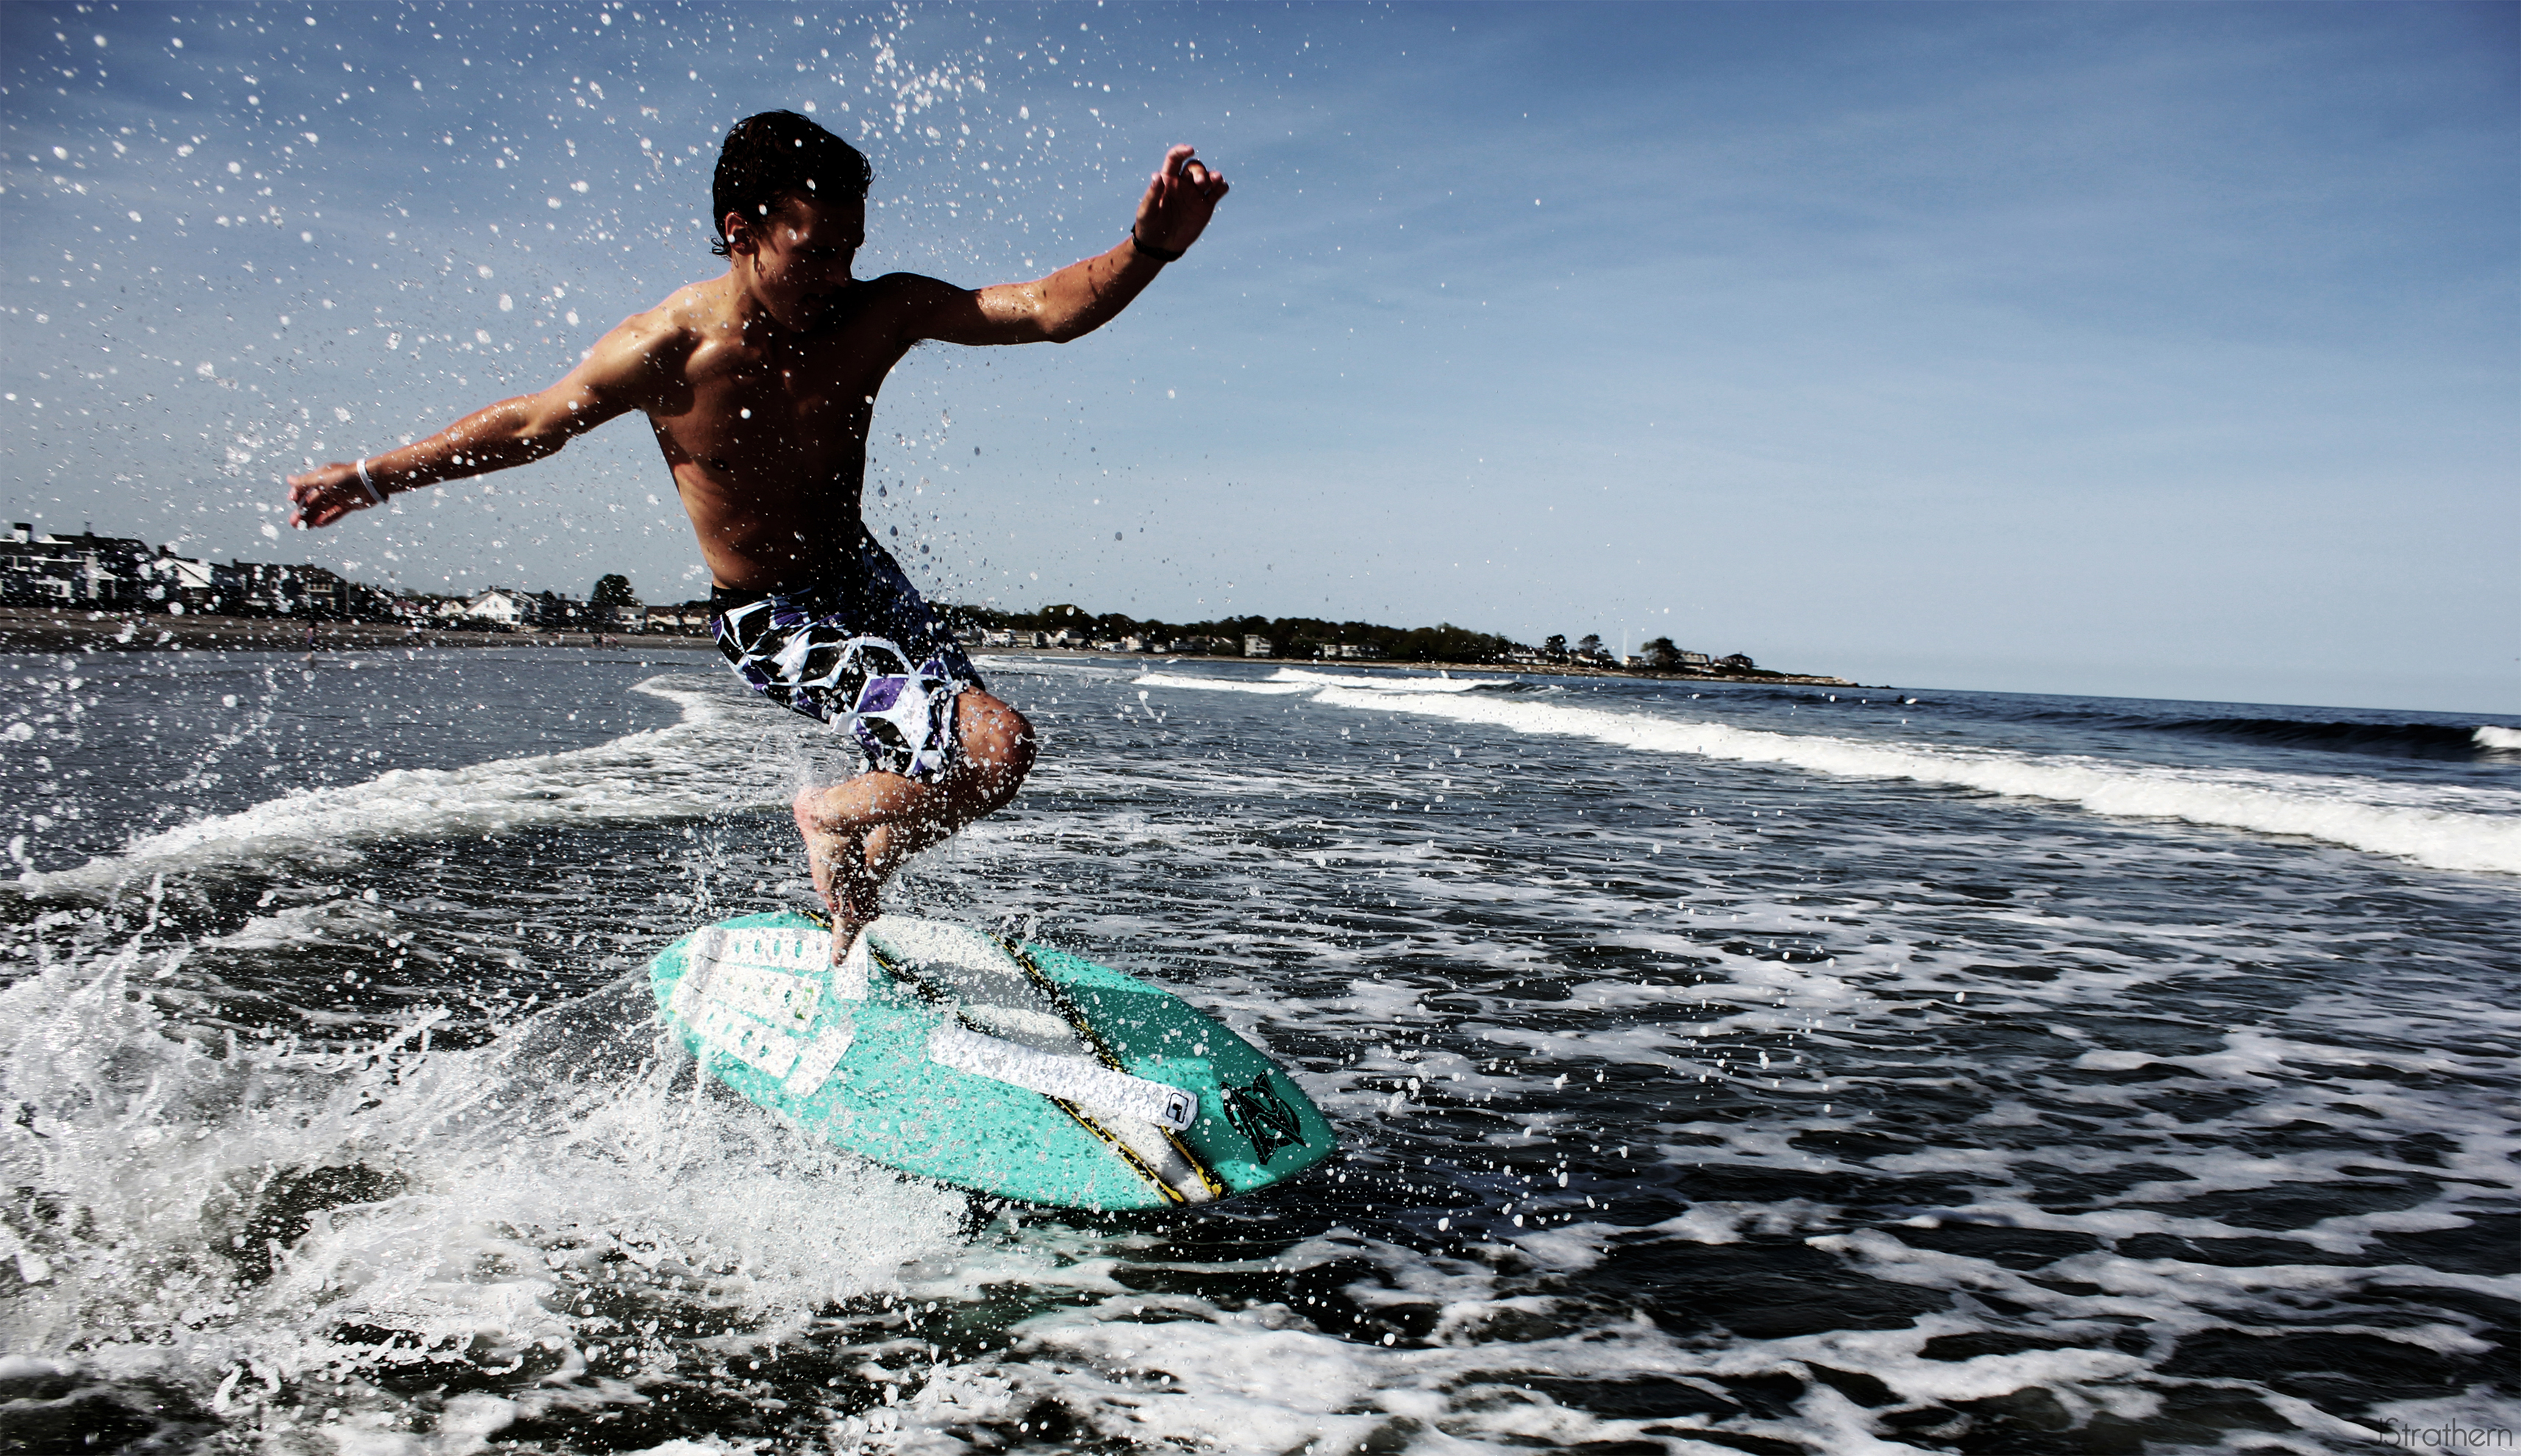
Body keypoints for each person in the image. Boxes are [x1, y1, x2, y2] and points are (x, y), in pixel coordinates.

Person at [287, 110, 1228, 948]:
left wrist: (1149, 245)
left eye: (848, 250)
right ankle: (824, 819)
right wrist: (373, 476)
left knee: (983, 768)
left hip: (865, 583)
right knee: (991, 745)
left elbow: (1044, 311)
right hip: (770, 621)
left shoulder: (876, 311)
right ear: (740, 233)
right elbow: (531, 425)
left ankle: (852, 911)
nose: (836, 276)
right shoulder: (666, 350)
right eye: (813, 252)